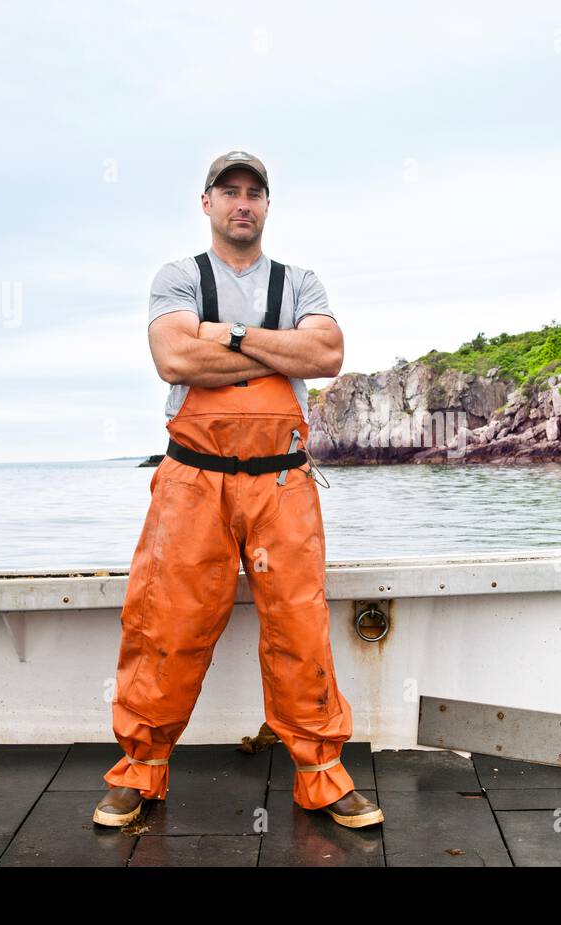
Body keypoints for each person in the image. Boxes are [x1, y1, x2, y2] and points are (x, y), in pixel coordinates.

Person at [93, 149, 383, 830]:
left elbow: (327, 354)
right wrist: (272, 348)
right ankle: (141, 770)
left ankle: (320, 775)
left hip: (283, 484)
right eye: (230, 191)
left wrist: (231, 336)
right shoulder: (179, 277)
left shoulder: (300, 281)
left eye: (254, 191)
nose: (242, 202)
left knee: (300, 627)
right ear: (208, 204)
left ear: (267, 205)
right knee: (164, 623)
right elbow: (174, 356)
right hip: (192, 482)